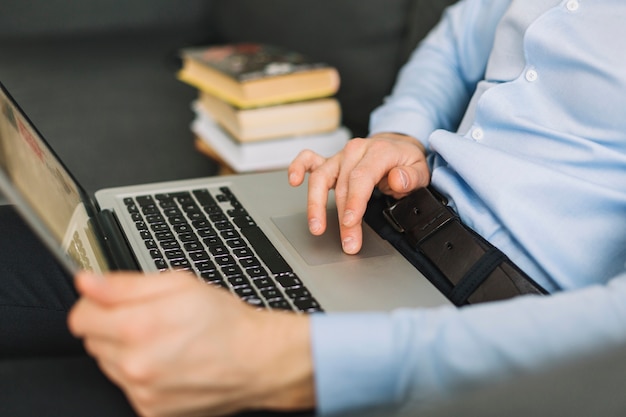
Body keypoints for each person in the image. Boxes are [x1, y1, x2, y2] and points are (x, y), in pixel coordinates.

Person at [4, 0, 626, 416]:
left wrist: (294, 356)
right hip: (383, 226)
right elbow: (457, 40)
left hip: (485, 343)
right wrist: (399, 134)